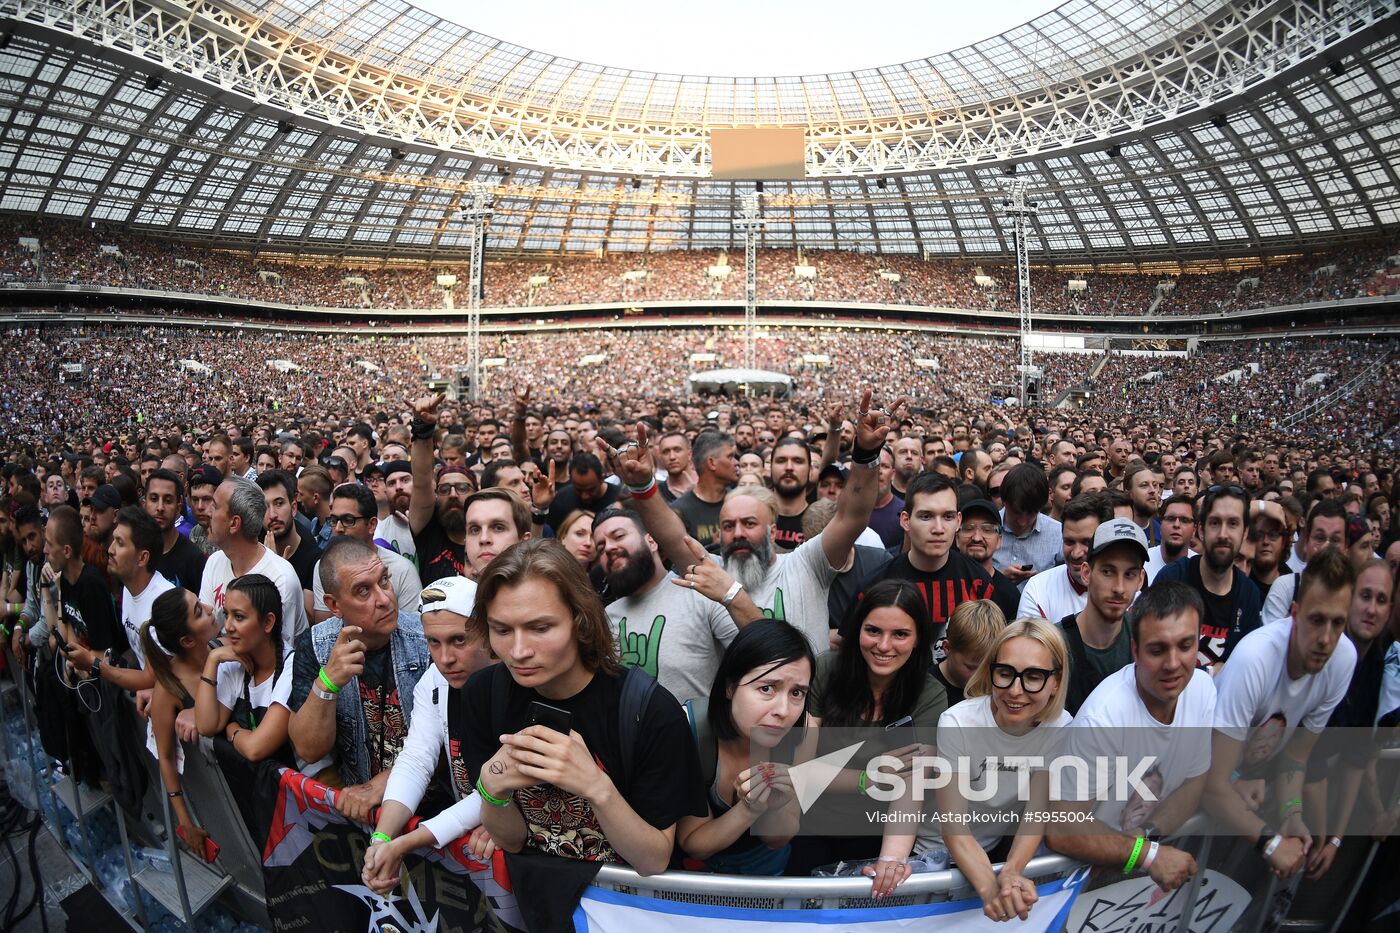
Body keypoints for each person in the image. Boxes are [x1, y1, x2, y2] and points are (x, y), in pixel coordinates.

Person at [461, 539, 707, 876]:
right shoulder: (483, 694)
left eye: (540, 628)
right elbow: (512, 840)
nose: (518, 651)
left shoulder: (649, 710)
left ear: (581, 620)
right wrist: (492, 786)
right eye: (501, 630)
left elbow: (653, 859)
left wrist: (596, 787)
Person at [612, 391, 902, 653]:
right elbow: (672, 537)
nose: (738, 533)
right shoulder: (714, 572)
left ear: (772, 529)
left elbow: (852, 516)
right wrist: (642, 486)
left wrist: (865, 456)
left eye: (749, 523)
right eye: (728, 526)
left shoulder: (807, 564)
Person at [1047, 582, 1215, 893]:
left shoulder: (1203, 690)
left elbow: (1194, 783)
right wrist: (1147, 854)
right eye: (1157, 649)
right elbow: (1062, 827)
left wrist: (1146, 835)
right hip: (1073, 881)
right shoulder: (1105, 717)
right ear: (1135, 650)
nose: (1173, 663)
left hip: (1130, 870)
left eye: (1185, 645)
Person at [1204, 548, 1358, 880]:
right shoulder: (1254, 658)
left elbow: (1296, 757)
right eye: (1317, 620)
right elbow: (1213, 782)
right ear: (1294, 613)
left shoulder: (1344, 659)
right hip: (1198, 788)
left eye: (1338, 623)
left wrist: (1292, 813)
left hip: (1250, 797)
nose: (1326, 639)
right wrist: (1271, 844)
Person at [795, 580, 948, 879]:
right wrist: (870, 778)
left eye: (900, 634)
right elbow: (801, 772)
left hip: (877, 833)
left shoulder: (928, 695)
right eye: (873, 630)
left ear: (918, 639)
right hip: (807, 828)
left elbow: (910, 788)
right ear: (857, 630)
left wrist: (890, 860)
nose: (883, 645)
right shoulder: (826, 670)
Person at [364, 577, 497, 894]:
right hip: (473, 832)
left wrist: (407, 842)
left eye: (458, 641)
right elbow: (416, 759)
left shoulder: (514, 680)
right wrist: (383, 837)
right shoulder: (435, 682)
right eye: (433, 643)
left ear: (487, 632)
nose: (445, 658)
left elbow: (500, 786)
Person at [935, 618, 1072, 922]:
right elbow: (954, 829)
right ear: (991, 671)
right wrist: (991, 889)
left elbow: (1036, 814)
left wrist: (1011, 872)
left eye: (1033, 676)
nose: (1015, 690)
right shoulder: (957, 723)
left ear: (1056, 682)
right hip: (928, 860)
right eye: (1005, 673)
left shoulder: (1060, 727)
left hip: (989, 859)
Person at [287, 537, 431, 822]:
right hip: (357, 813)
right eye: (363, 590)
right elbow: (309, 750)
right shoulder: (315, 646)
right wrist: (327, 684)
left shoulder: (426, 639)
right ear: (334, 604)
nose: (384, 599)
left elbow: (446, 741)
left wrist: (378, 787)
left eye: (384, 581)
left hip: (427, 811)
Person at [675, 620, 814, 875]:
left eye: (797, 693)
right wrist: (749, 808)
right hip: (699, 880)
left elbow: (779, 838)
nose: (783, 711)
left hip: (769, 872)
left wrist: (771, 805)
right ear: (730, 687)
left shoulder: (804, 734)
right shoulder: (690, 730)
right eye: (766, 688)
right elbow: (694, 842)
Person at [594, 507, 760, 703]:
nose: (608, 548)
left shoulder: (700, 593)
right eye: (600, 547)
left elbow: (760, 652)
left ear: (652, 541)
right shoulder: (606, 616)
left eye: (618, 536)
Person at [1298, 558, 1393, 879]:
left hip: (1317, 808)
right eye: (1365, 596)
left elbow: (1356, 755)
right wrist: (1325, 835)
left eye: (1381, 600)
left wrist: (1335, 840)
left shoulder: (1376, 660)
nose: (1372, 609)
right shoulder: (1326, 654)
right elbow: (1310, 760)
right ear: (1349, 598)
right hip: (1288, 799)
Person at [140, 587, 220, 862]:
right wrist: (186, 822)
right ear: (186, 641)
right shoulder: (168, 689)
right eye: (199, 611)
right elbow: (165, 758)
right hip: (219, 798)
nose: (210, 609)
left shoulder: (222, 648)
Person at [1155, 484, 1263, 670]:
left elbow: (1247, 667)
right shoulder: (1172, 578)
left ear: (1244, 533)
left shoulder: (1249, 594)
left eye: (1233, 524)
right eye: (1215, 523)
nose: (1223, 534)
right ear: (1201, 530)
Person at [198, 477, 309, 653]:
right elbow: (204, 631)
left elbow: (271, 655)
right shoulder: (214, 562)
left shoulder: (280, 579)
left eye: (215, 505)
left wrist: (217, 646)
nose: (206, 511)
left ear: (234, 523)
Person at [195, 574, 296, 764]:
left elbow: (254, 748)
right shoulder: (233, 664)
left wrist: (232, 730)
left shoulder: (292, 668)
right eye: (226, 615)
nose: (227, 626)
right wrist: (213, 659)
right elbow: (206, 725)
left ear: (268, 622)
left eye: (239, 617)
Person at [1060, 519, 1149, 714]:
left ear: (1141, 579)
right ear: (1086, 573)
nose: (1119, 588)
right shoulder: (1055, 645)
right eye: (1108, 572)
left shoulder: (1147, 639)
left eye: (1130, 574)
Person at [310, 483, 420, 623]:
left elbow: (412, 631)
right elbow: (324, 632)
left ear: (372, 525)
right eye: (333, 520)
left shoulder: (402, 569)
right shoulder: (324, 568)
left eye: (348, 520)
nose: (338, 528)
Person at [407, 393, 475, 584]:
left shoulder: (489, 537)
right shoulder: (429, 529)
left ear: (476, 494)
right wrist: (422, 429)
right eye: (444, 489)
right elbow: (421, 481)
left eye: (462, 488)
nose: (453, 494)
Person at [1017, 492, 1111, 623]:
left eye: (1087, 542)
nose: (1076, 553)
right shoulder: (1038, 590)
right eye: (1069, 542)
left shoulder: (1127, 592)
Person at [1261, 498, 1350, 623]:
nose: (1326, 547)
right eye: (1320, 538)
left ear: (1346, 547)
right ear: (1306, 541)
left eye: (1335, 540)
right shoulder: (1285, 588)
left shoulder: (1355, 596)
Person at [953, 497, 1023, 622]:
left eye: (987, 530)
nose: (977, 538)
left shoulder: (1009, 594)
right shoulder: (943, 584)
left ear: (999, 540)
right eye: (969, 528)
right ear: (957, 538)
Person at [992, 464, 1062, 587]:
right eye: (1016, 512)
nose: (1022, 522)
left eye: (1031, 513)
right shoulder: (986, 529)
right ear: (1004, 501)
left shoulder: (1058, 533)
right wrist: (999, 579)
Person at [257, 470, 321, 596]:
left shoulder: (313, 559)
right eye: (264, 507)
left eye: (279, 504)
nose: (272, 515)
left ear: (293, 508)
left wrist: (280, 572)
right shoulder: (252, 547)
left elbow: (307, 615)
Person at [670, 431, 739, 548]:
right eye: (730, 457)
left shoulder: (738, 502)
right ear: (711, 463)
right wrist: (714, 548)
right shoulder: (680, 511)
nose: (736, 463)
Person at [932, 599, 1005, 706]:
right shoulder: (927, 691)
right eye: (971, 667)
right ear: (947, 648)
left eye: (988, 667)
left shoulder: (995, 686)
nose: (981, 676)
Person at [144, 468, 206, 593]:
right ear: (145, 504)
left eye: (168, 500)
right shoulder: (136, 552)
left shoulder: (194, 560)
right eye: (154, 499)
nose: (160, 508)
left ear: (179, 506)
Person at [1145, 496, 1195, 584]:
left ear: (1194, 530)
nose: (1176, 525)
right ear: (1160, 525)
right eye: (1171, 519)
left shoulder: (1200, 568)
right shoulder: (1144, 563)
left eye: (1184, 520)